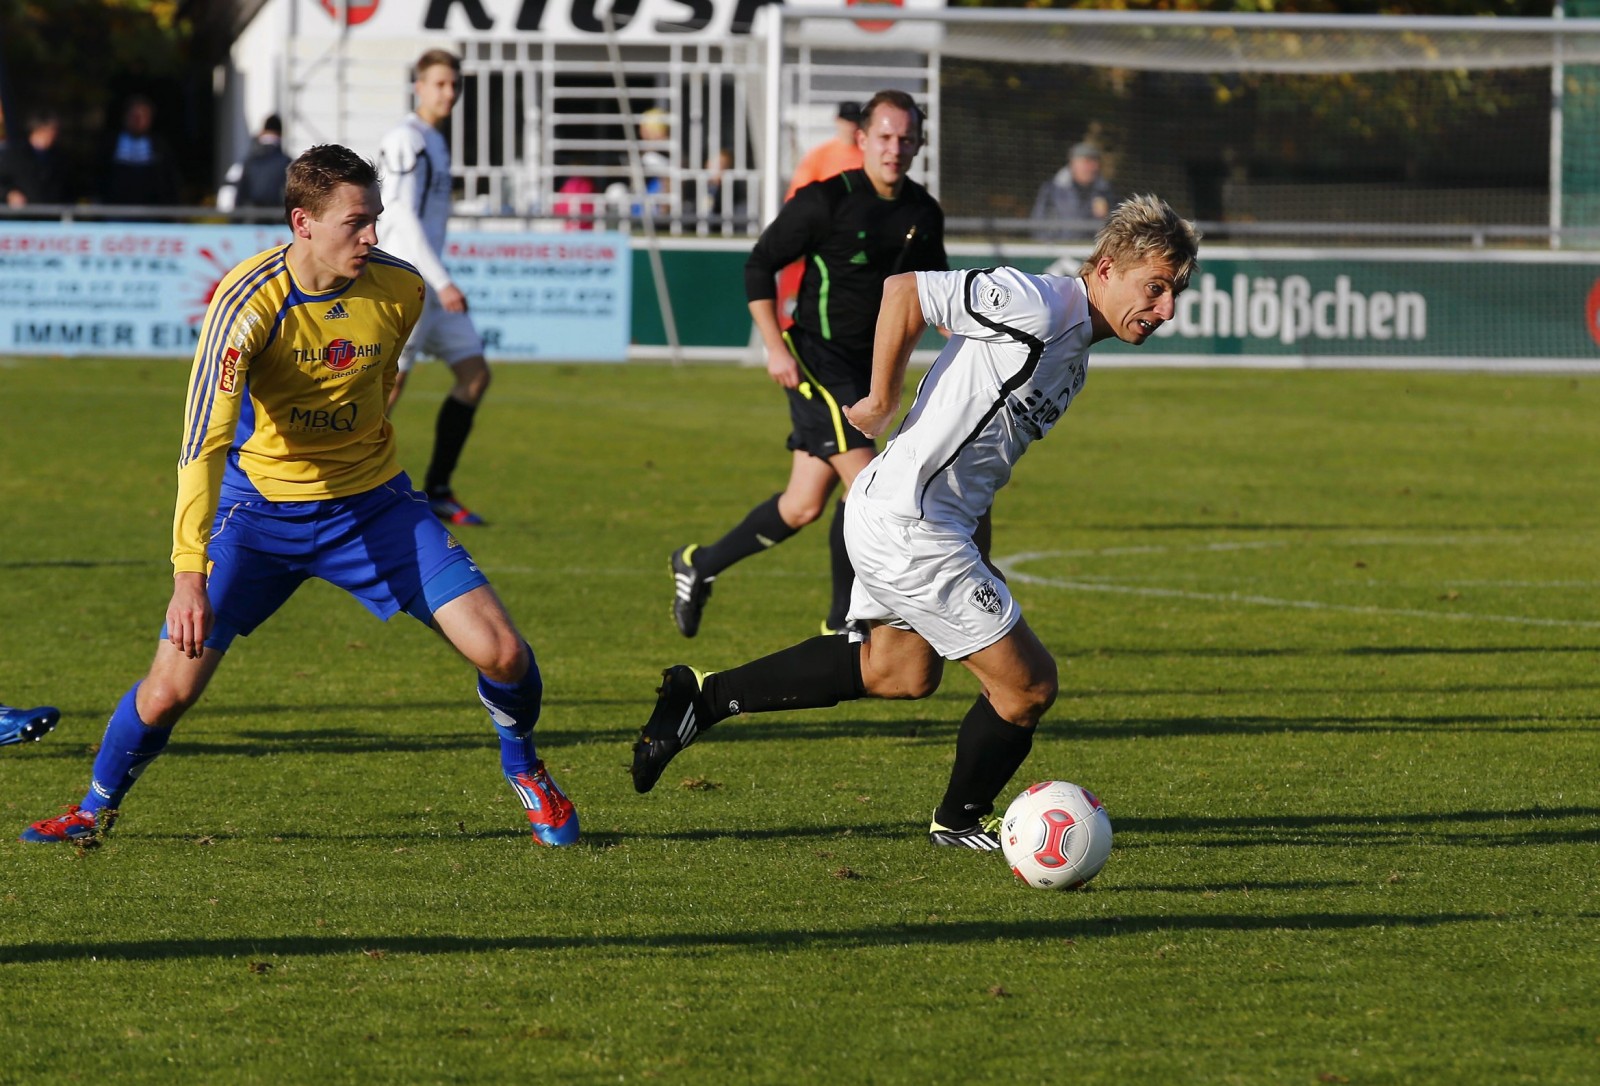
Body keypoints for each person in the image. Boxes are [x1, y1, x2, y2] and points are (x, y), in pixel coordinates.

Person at [18, 144, 578, 847]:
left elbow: (383, 379)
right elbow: (201, 446)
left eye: (375, 219)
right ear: (302, 222)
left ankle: (526, 768)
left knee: (502, 652)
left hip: (373, 507)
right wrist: (188, 578)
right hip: (256, 517)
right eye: (357, 222)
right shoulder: (246, 304)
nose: (372, 236)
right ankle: (90, 811)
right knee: (168, 692)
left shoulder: (401, 289)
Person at [636, 195, 1200, 849]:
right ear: (1105, 269)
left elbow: (980, 453)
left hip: (911, 519)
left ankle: (700, 699)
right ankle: (958, 821)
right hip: (911, 527)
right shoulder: (1041, 304)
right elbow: (906, 291)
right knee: (1028, 687)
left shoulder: (1074, 352)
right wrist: (881, 398)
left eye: (1174, 295)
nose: (1164, 310)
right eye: (1155, 288)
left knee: (899, 673)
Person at [668, 90, 948, 641]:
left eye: (906, 138)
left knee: (801, 506)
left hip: (870, 371)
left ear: (918, 143)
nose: (895, 148)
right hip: (815, 357)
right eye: (885, 137)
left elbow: (932, 292)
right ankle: (843, 619)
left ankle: (698, 564)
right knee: (867, 480)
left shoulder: (922, 212)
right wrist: (774, 346)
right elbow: (760, 265)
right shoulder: (827, 199)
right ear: (862, 139)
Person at [377, 50, 491, 527]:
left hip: (432, 277)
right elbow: (399, 212)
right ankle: (341, 484)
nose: (450, 93)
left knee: (474, 374)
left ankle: (439, 489)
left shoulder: (434, 142)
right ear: (418, 86)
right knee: (388, 385)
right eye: (440, 84)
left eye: (455, 85)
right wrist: (440, 281)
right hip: (408, 279)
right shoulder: (406, 139)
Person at [775, 102, 865, 327]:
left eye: (855, 121)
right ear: (838, 122)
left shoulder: (867, 157)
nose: (851, 127)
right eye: (847, 121)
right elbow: (797, 196)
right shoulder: (821, 156)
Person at [102, 94, 181, 208]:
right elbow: (101, 175)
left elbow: (170, 180)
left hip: (153, 212)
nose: (138, 120)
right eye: (134, 116)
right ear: (125, 117)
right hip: (116, 211)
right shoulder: (110, 144)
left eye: (143, 116)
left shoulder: (160, 146)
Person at [1030, 141, 1115, 241]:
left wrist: (1105, 217)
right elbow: (1038, 224)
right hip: (1057, 251)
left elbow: (1117, 230)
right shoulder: (1052, 190)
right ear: (1073, 163)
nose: (1093, 167)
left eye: (1095, 162)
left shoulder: (1105, 191)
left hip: (1092, 252)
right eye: (1087, 162)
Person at [217, 113, 293, 212]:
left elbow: (227, 197)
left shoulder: (245, 163)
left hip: (250, 221)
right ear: (281, 134)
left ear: (262, 132)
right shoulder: (288, 164)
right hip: (278, 222)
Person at [0, 109, 72, 207]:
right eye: (52, 130)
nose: (55, 134)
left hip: (51, 217)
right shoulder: (13, 155)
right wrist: (9, 194)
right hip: (20, 218)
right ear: (40, 129)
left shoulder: (59, 158)